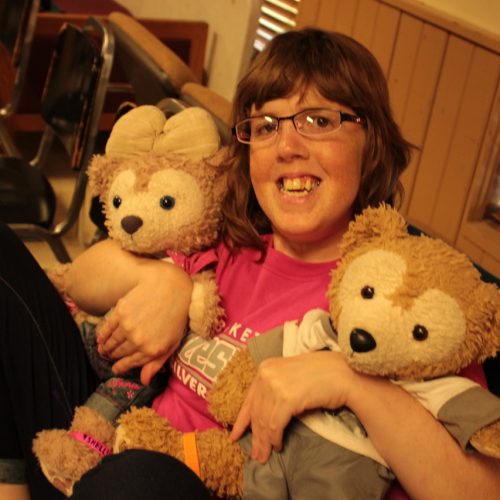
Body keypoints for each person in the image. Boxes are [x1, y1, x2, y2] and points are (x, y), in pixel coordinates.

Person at [0, 28, 498, 500]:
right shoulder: (231, 241)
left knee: (134, 481)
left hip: (194, 482)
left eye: (319, 121)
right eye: (266, 127)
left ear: (372, 144)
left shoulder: (398, 293)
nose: (287, 147)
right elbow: (82, 278)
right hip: (97, 443)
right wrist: (162, 279)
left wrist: (349, 382)